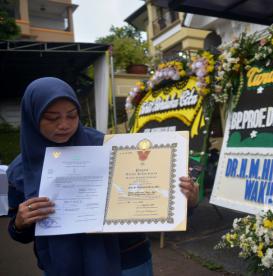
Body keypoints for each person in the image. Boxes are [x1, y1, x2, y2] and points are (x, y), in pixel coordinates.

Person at [8, 77, 199, 275]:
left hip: (128, 261)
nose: (64, 124)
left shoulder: (111, 147)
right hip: (61, 267)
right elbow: (18, 233)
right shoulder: (19, 171)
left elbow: (149, 195)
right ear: (32, 116)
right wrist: (20, 222)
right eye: (52, 118)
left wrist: (187, 201)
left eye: (72, 116)